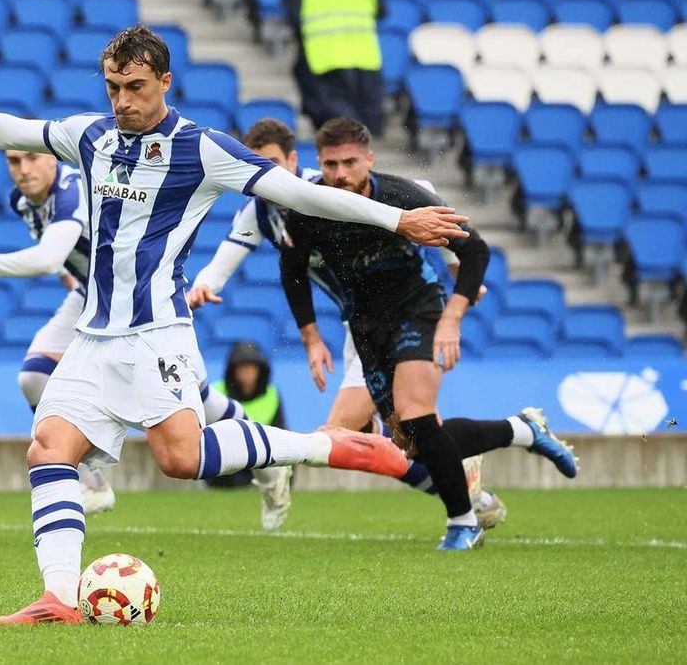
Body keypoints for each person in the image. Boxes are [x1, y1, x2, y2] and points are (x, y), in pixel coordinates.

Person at [0, 24, 469, 625]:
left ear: (164, 82)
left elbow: (295, 192)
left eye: (135, 88)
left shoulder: (203, 148)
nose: (122, 101)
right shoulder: (91, 136)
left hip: (155, 337)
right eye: (113, 87)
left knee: (181, 459)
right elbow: (11, 127)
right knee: (48, 449)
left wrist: (394, 220)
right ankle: (59, 598)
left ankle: (321, 445)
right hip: (92, 339)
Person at [251, 117, 578, 550]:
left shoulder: (402, 194)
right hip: (366, 328)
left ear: (369, 159)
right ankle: (522, 430)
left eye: (350, 162)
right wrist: (311, 337)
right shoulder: (308, 210)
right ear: (319, 165)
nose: (341, 174)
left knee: (418, 415)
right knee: (412, 444)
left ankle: (463, 522)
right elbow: (291, 272)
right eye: (331, 165)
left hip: (417, 308)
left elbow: (474, 248)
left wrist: (451, 318)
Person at [188, 117, 509, 529]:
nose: (265, 173)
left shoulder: (325, 186)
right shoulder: (260, 210)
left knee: (340, 433)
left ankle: (280, 464)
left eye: (272, 163)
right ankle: (476, 483)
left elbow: (421, 194)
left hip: (396, 313)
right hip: (358, 324)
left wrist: (452, 259)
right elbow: (246, 263)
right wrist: (201, 286)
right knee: (402, 435)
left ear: (294, 160)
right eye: (256, 165)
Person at [0, 150, 256, 516]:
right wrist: (74, 279)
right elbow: (67, 256)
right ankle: (91, 481)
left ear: (52, 160)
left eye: (31, 158)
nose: (23, 170)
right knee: (34, 376)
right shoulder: (23, 201)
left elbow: (48, 257)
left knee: (198, 400)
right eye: (14, 161)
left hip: (145, 297)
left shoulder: (71, 192)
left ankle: (262, 443)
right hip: (94, 294)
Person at [208, 341, 293, 532]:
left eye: (250, 368)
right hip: (229, 458)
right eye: (241, 368)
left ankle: (276, 491)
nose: (246, 373)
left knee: (287, 454)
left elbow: (280, 430)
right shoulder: (217, 393)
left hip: (260, 455)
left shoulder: (271, 395)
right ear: (233, 371)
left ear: (260, 370)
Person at [287, 0, 386, 136]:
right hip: (364, 56)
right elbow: (381, 11)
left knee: (336, 127)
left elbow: (293, 15)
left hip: (324, 57)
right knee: (365, 126)